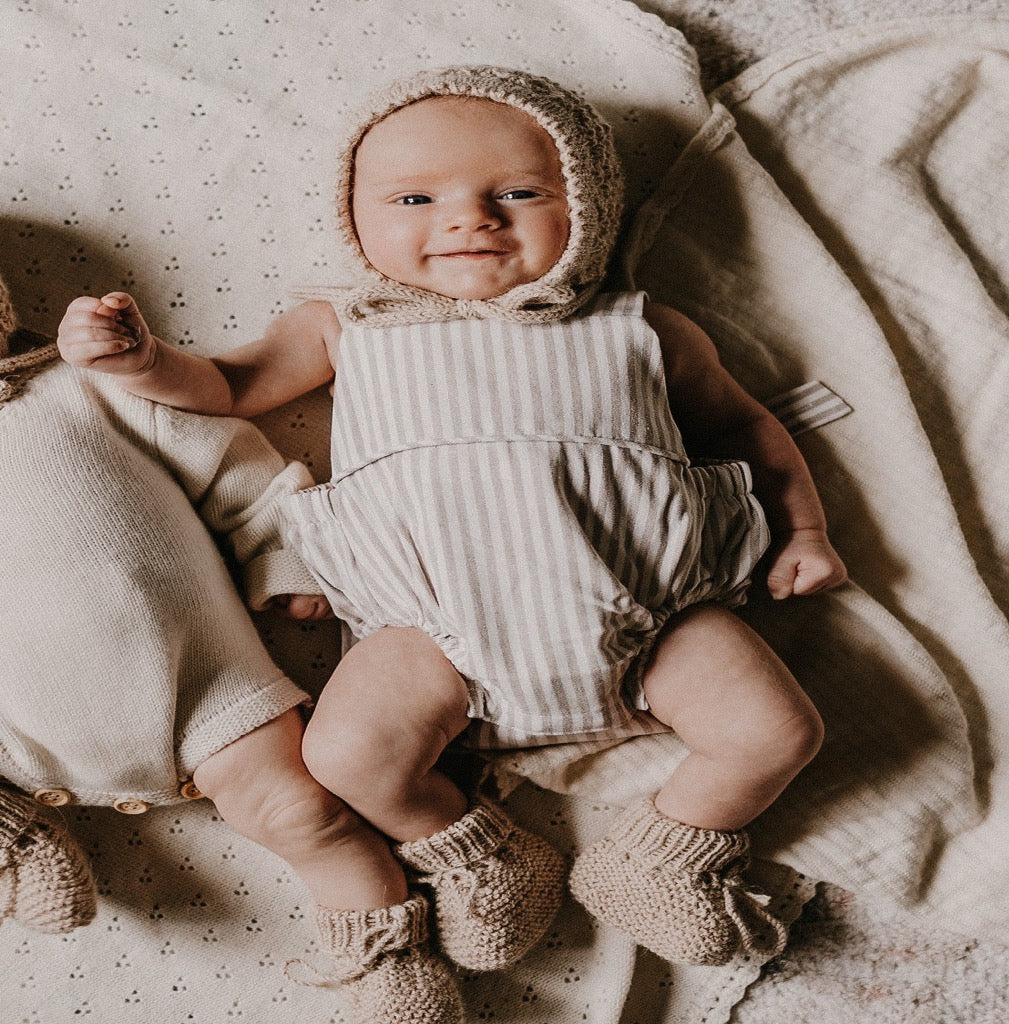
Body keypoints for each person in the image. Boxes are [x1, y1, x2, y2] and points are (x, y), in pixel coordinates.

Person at [57, 63, 847, 1006]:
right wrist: (144, 362)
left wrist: (803, 530)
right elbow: (227, 387)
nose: (469, 219)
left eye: (518, 193)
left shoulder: (642, 326)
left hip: (651, 611)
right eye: (416, 198)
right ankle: (473, 850)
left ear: (587, 208)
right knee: (345, 759)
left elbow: (748, 429)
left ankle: (662, 856)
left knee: (776, 729)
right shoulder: (347, 325)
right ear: (356, 221)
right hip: (432, 631)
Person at [0, 269, 469, 1024]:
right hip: (13, 740)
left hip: (203, 688)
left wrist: (283, 556)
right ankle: (15, 842)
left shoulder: (80, 386)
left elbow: (232, 467)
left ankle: (385, 957)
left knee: (307, 818)